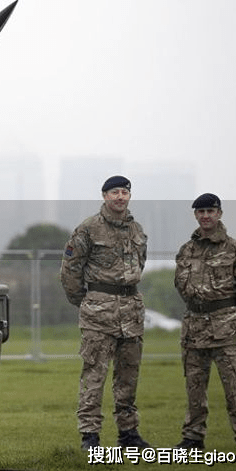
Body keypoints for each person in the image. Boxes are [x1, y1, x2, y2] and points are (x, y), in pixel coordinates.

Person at [60, 175, 151, 451]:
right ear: (104, 196)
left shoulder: (137, 230)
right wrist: (87, 302)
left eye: (124, 192)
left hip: (131, 312)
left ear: (129, 196)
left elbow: (140, 263)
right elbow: (70, 270)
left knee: (128, 376)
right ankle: (90, 436)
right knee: (94, 375)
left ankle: (128, 434)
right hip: (99, 313)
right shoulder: (87, 229)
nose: (120, 197)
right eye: (114, 192)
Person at [174, 193, 236, 449]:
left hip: (226, 327)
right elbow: (180, 284)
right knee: (194, 386)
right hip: (194, 327)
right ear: (195, 215)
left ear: (219, 213)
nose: (206, 216)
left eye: (210, 211)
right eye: (201, 211)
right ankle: (192, 437)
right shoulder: (187, 250)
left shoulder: (235, 249)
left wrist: (232, 312)